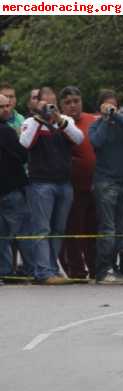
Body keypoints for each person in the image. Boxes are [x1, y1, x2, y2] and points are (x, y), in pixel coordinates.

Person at [19, 86, 83, 284]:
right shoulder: (30, 122)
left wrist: (58, 119)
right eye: (45, 102)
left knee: (58, 229)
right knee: (42, 230)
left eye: (52, 102)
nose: (49, 107)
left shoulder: (65, 121)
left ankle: (52, 269)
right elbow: (25, 144)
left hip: (64, 183)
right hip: (40, 184)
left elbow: (79, 138)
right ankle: (43, 272)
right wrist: (40, 118)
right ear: (36, 103)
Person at [90, 90, 123, 285]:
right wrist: (105, 119)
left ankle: (119, 267)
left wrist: (117, 117)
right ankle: (104, 269)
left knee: (122, 230)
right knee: (108, 229)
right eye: (106, 105)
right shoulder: (97, 125)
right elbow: (97, 141)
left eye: (113, 105)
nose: (110, 108)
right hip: (105, 182)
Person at [58, 86, 97, 280]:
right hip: (72, 186)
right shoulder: (60, 124)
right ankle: (77, 270)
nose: (73, 105)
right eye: (68, 102)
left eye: (76, 101)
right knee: (73, 230)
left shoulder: (93, 120)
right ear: (61, 107)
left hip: (96, 185)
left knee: (94, 229)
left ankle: (95, 267)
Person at [0, 94, 28, 286]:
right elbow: (22, 155)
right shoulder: (7, 132)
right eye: (2, 107)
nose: (6, 109)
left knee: (3, 236)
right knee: (22, 233)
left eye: (8, 106)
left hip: (8, 190)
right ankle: (30, 268)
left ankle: (5, 270)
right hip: (11, 189)